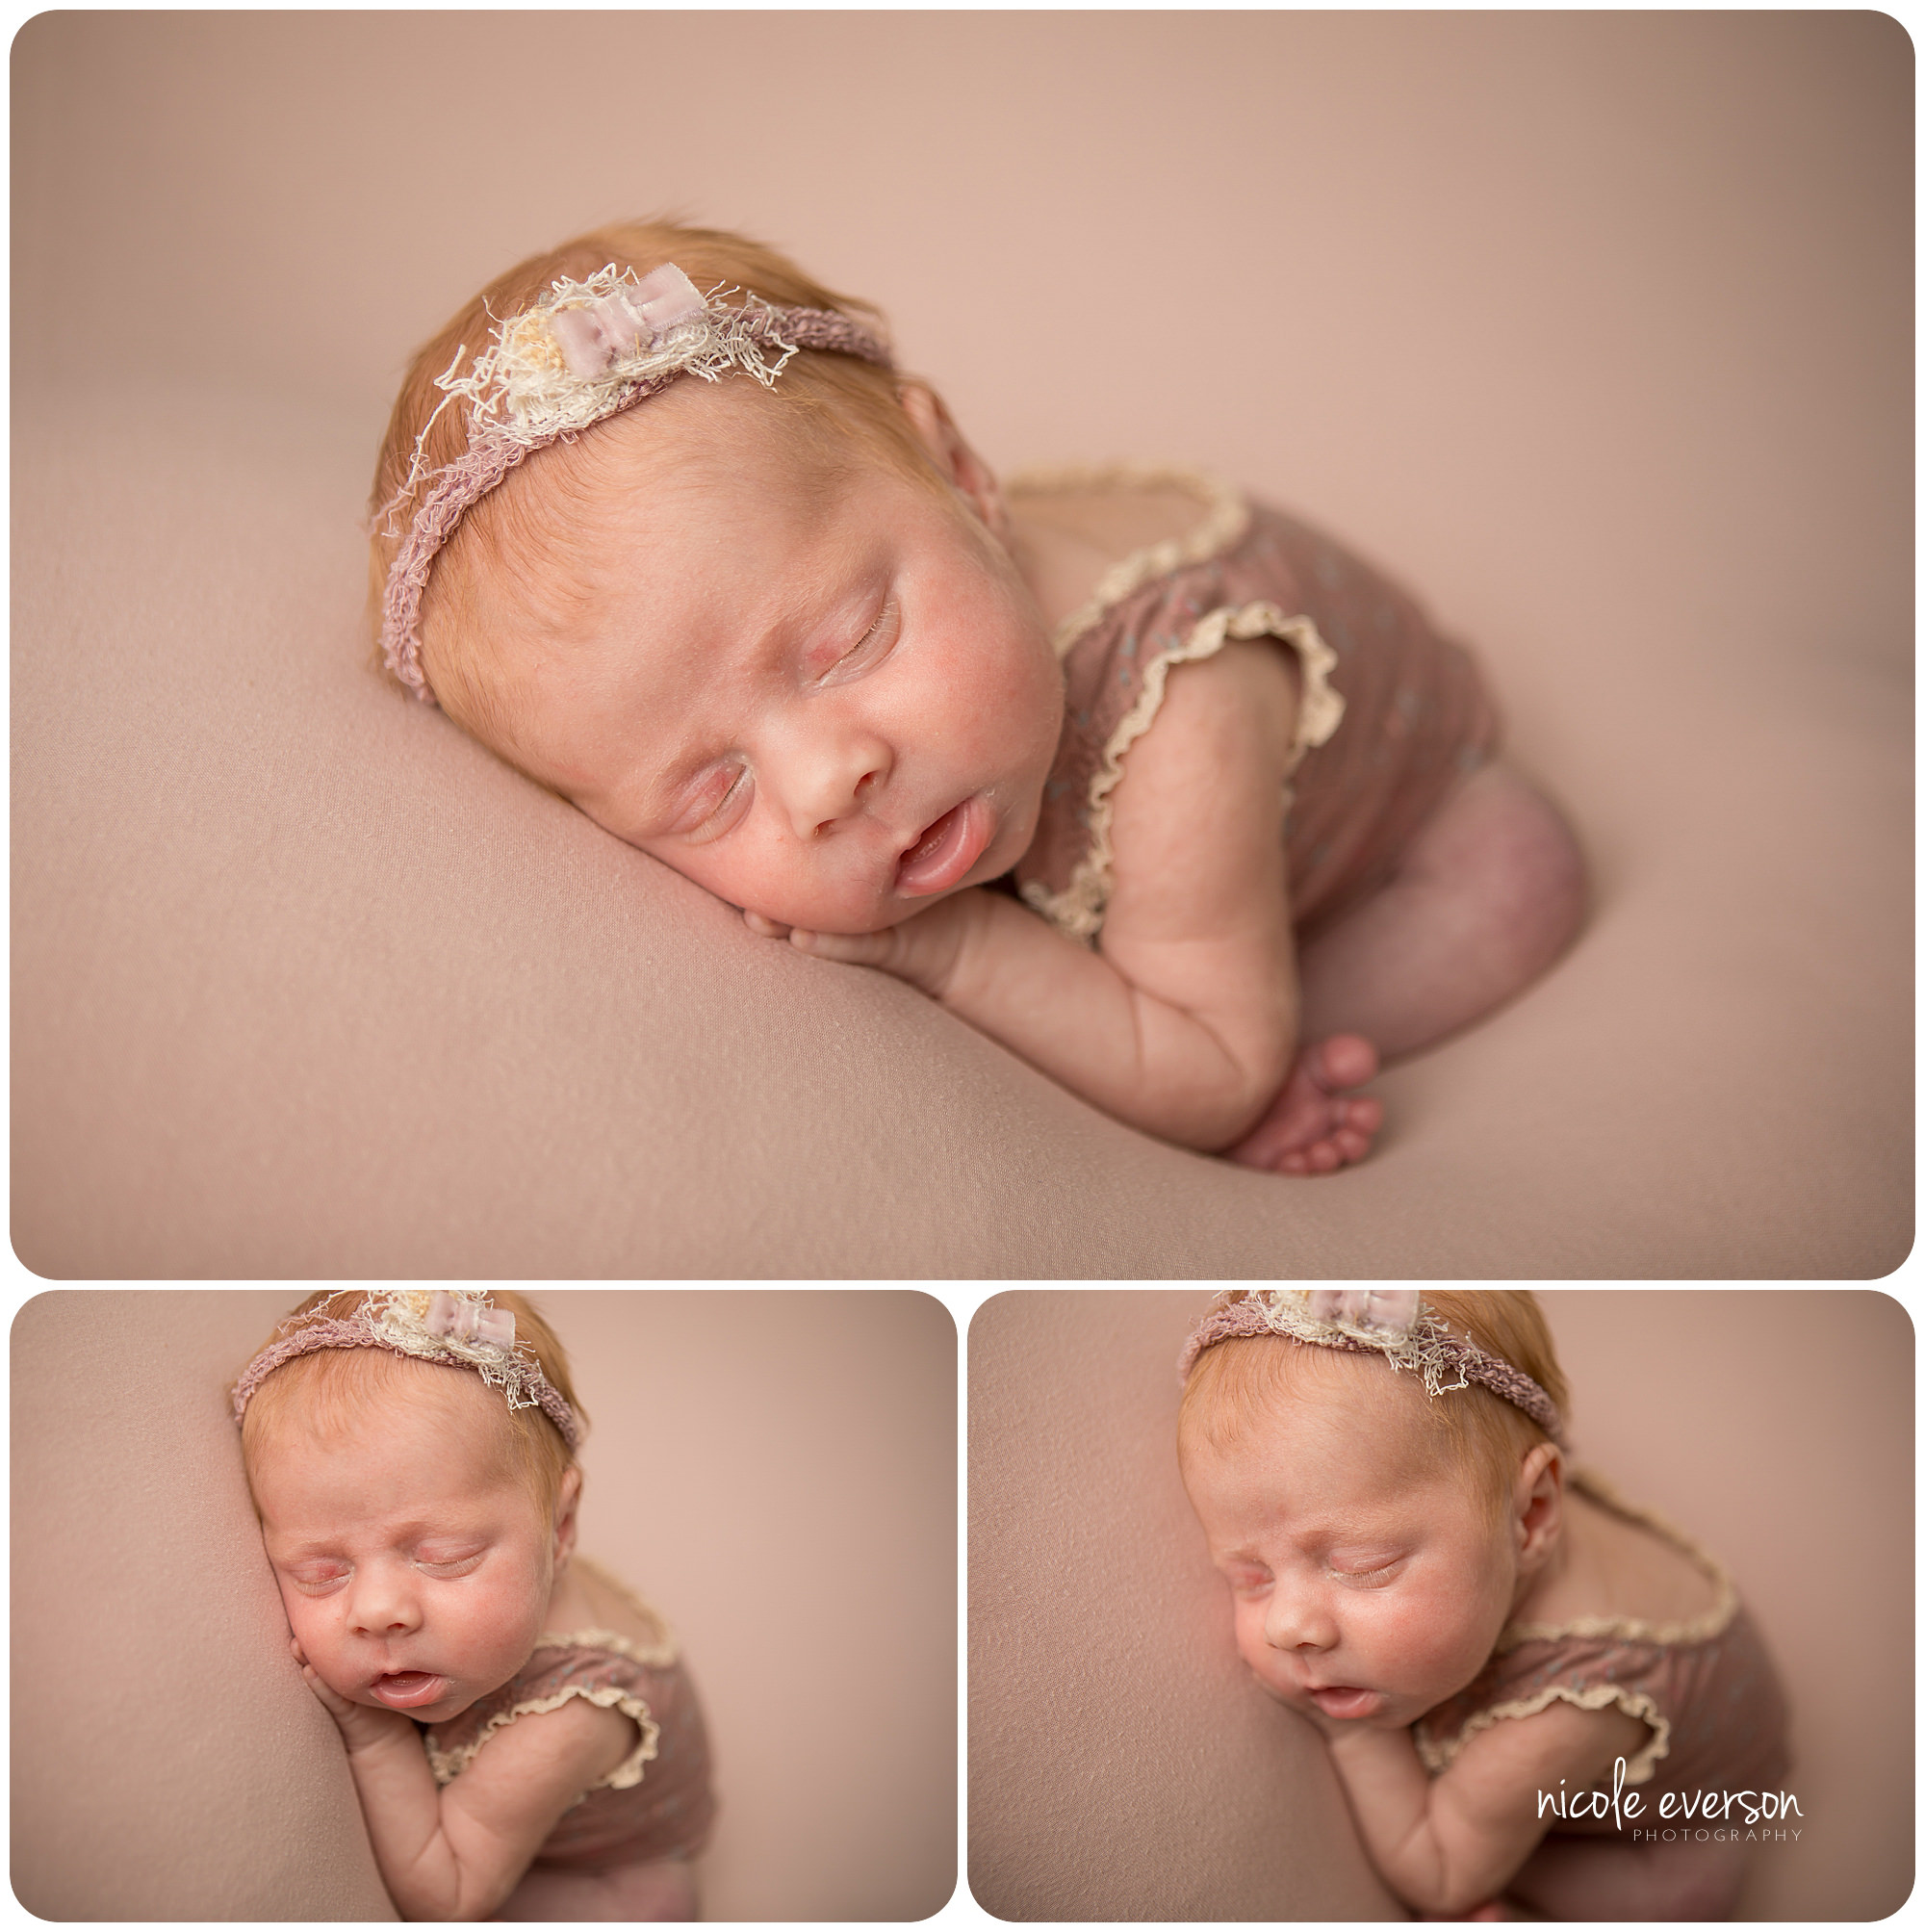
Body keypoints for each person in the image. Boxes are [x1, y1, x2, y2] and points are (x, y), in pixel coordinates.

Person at [369, 220, 1587, 1175]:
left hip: (1415, 811)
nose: (822, 783)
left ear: (959, 476)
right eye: (709, 790)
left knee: (1518, 876)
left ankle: (1250, 981)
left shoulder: (1181, 711)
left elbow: (1208, 1069)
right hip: (1170, 853)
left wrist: (955, 949)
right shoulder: (901, 640)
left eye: (847, 645)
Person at [1177, 1288, 1790, 1919]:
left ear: (1532, 1513)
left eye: (1364, 1565)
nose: (1288, 1625)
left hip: (1680, 1822)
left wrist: (1352, 1736)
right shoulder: (1488, 1500)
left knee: (1684, 1896)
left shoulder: (1565, 1712)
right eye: (1250, 1576)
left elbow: (1443, 1874)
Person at [232, 1289, 712, 1920]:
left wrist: (377, 1739)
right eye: (322, 1570)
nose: (376, 1610)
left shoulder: (567, 1720)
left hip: (613, 1882)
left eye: (445, 1553)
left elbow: (450, 1893)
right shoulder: (504, 1586)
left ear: (559, 1527)